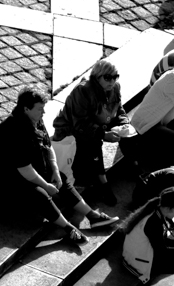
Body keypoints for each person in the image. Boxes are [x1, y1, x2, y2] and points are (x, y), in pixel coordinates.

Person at [0, 87, 117, 244]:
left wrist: (55, 170)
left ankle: (92, 215)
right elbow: (25, 170)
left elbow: (47, 145)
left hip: (27, 169)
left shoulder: (35, 119)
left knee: (61, 179)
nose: (43, 113)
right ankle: (68, 228)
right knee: (39, 193)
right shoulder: (14, 131)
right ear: (26, 109)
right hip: (5, 179)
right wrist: (46, 185)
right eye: (39, 109)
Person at [52, 59, 129, 205]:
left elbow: (118, 109)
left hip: (97, 124)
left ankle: (135, 168)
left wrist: (124, 123)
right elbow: (80, 123)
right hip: (70, 129)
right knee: (93, 143)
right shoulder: (83, 91)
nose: (112, 81)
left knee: (131, 134)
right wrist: (103, 134)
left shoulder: (115, 88)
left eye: (115, 76)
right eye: (107, 77)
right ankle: (103, 183)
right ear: (97, 77)